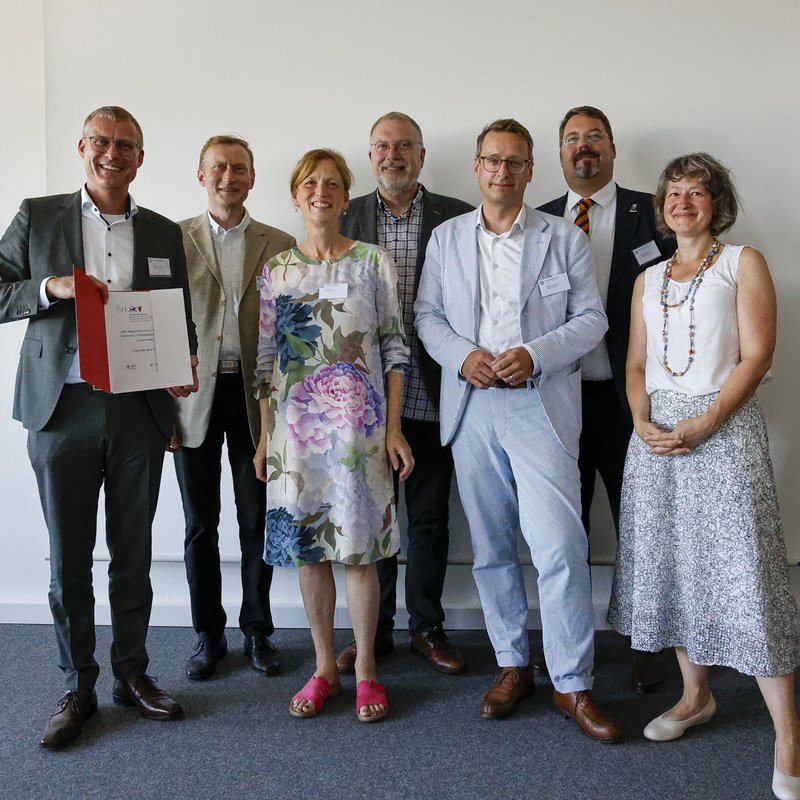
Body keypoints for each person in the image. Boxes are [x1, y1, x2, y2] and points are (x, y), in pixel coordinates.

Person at [0, 105, 198, 747]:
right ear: (82, 147)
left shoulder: (166, 233)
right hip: (62, 407)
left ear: (142, 157)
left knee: (134, 551)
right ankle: (76, 684)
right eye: (103, 143)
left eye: (127, 146)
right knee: (68, 558)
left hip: (138, 410)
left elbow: (179, 318)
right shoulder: (39, 214)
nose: (114, 154)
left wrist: (180, 370)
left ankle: (131, 675)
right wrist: (49, 288)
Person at [415, 119, 619, 741]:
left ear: (531, 171)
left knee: (559, 546)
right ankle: (511, 665)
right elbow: (425, 314)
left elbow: (591, 320)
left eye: (515, 163)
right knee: (493, 548)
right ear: (477, 167)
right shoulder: (447, 238)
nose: (502, 172)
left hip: (540, 405)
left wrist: (535, 353)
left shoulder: (562, 237)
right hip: (473, 407)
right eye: (492, 161)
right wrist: (460, 354)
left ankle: (572, 681)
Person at [607, 153, 800, 799]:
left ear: (717, 203)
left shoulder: (743, 263)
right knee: (678, 568)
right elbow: (634, 364)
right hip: (657, 439)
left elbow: (757, 354)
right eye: (674, 192)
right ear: (661, 206)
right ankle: (695, 697)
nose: (683, 201)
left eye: (697, 192)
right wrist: (641, 420)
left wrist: (707, 422)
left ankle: (789, 733)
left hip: (722, 430)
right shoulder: (648, 277)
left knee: (749, 574)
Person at [253, 149, 412, 723]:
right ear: (295, 195)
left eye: (333, 184)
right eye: (310, 183)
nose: (321, 192)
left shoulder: (373, 262)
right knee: (308, 554)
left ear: (347, 197)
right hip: (295, 440)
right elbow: (267, 361)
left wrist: (393, 429)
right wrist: (263, 440)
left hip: (359, 435)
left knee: (360, 554)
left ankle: (365, 668)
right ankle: (324, 668)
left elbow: (395, 349)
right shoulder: (275, 269)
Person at [538, 106, 674, 693]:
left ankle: (649, 643)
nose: (583, 147)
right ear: (560, 154)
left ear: (613, 148)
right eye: (572, 139)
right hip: (556, 402)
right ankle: (565, 645)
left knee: (639, 527)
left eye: (594, 137)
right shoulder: (537, 220)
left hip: (631, 403)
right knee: (560, 533)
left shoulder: (656, 212)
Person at [336, 112, 473, 675]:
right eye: (382, 146)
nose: (393, 155)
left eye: (404, 147)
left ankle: (427, 627)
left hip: (436, 392)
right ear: (370, 157)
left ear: (421, 155)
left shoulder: (459, 217)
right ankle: (376, 631)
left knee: (430, 518)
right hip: (365, 400)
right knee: (372, 518)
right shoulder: (344, 216)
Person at [173, 136, 295, 681]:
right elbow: (154, 324)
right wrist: (160, 410)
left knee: (256, 522)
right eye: (218, 168)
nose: (229, 177)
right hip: (190, 398)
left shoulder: (281, 243)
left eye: (239, 168)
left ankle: (257, 632)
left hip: (258, 400)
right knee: (201, 525)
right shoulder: (173, 239)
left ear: (252, 176)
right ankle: (208, 636)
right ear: (201, 175)